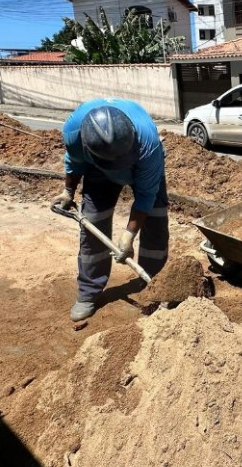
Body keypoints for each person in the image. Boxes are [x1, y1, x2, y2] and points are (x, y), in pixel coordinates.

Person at [51, 98, 169, 322]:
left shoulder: (148, 145)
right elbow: (74, 162)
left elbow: (145, 196)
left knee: (155, 219)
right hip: (98, 169)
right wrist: (68, 191)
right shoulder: (74, 132)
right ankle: (88, 293)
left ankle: (156, 282)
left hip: (140, 163)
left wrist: (128, 236)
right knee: (93, 223)